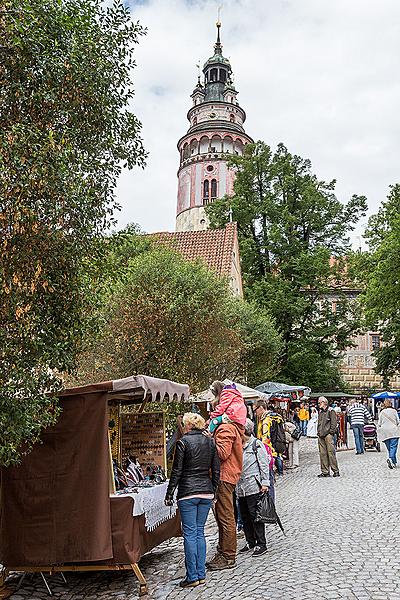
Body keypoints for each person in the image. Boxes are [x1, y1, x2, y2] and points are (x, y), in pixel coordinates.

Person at [165, 413, 220, 588]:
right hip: (206, 491)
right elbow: (216, 470)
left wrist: (169, 493)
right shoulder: (210, 442)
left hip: (188, 492)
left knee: (189, 534)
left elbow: (177, 471)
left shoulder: (183, 442)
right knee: (199, 532)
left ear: (187, 425)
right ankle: (201, 574)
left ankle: (192, 576)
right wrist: (214, 489)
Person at [207, 387, 244, 572]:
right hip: (225, 475)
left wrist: (209, 440)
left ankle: (228, 555)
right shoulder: (229, 426)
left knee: (225, 517)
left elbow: (222, 453)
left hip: (224, 476)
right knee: (223, 515)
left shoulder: (226, 428)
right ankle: (223, 551)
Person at [236, 419, 270, 557]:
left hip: (253, 485)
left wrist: (265, 483)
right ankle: (250, 541)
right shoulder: (238, 445)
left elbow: (264, 464)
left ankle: (261, 544)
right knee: (244, 516)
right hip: (240, 487)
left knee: (255, 515)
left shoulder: (256, 444)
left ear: (244, 430)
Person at [253, 400, 286, 476]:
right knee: (278, 456)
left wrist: (263, 449)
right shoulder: (274, 416)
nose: (255, 413)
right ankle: (280, 472)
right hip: (278, 441)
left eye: (255, 410)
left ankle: (279, 472)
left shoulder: (266, 419)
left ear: (261, 407)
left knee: (274, 460)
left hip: (270, 446)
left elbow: (265, 436)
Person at [317, 396, 340, 478]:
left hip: (328, 435)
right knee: (322, 454)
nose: (318, 404)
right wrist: (318, 432)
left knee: (331, 453)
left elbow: (334, 423)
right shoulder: (320, 412)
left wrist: (331, 432)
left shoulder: (331, 410)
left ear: (324, 402)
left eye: (319, 402)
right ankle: (325, 471)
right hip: (321, 435)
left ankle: (335, 471)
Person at [377, 399, 400, 469]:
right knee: (393, 447)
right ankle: (391, 459)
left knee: (389, 448)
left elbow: (379, 423)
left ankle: (394, 462)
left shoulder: (382, 412)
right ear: (391, 404)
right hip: (393, 431)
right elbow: (398, 421)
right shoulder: (394, 411)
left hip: (385, 432)